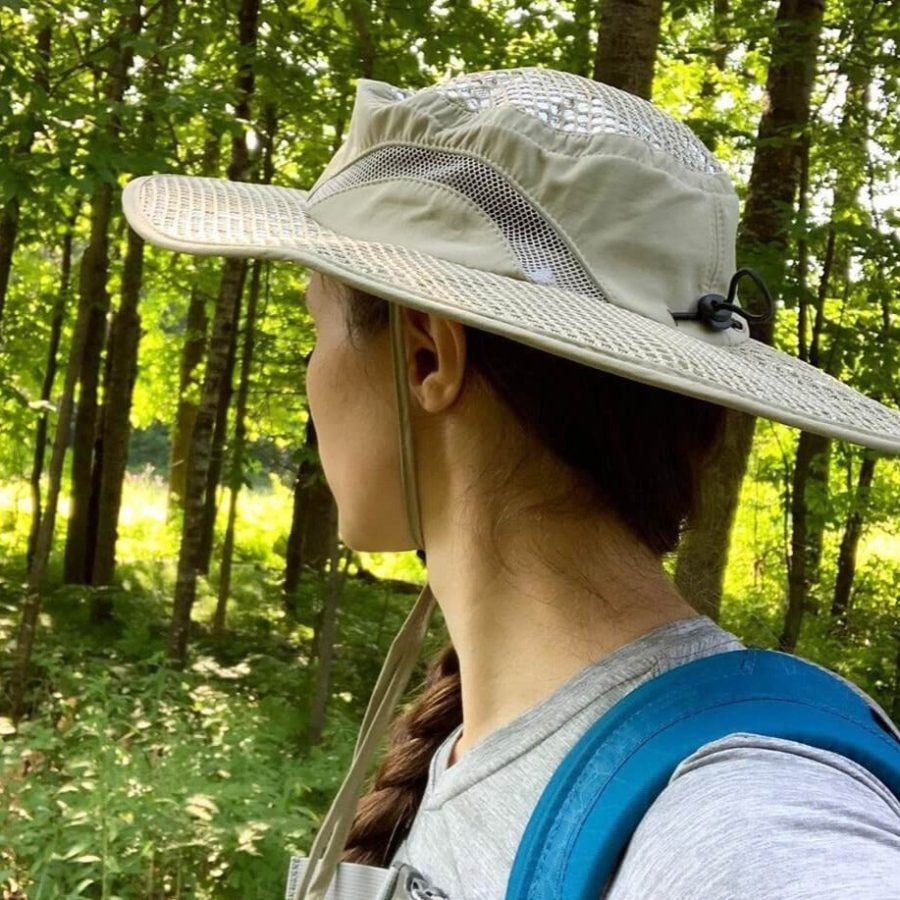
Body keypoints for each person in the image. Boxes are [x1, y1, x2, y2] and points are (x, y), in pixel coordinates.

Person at [122, 68, 900, 900]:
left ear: (427, 357)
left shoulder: (741, 824)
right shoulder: (478, 740)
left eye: (318, 331)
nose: (307, 377)